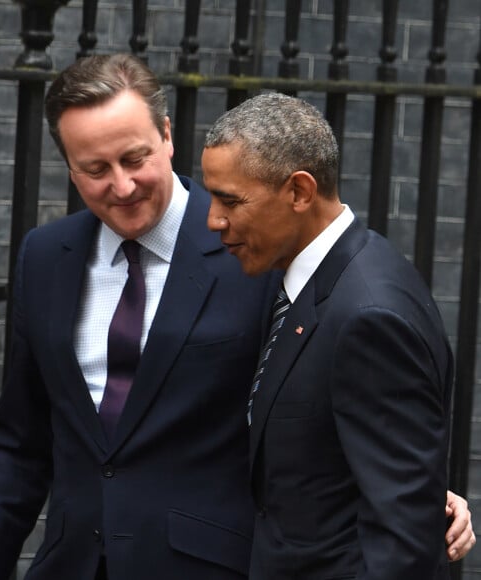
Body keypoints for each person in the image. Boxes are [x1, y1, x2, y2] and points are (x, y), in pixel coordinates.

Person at [0, 56, 473, 580]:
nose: (123, 185)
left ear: (166, 135)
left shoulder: (254, 241)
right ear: (68, 166)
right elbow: (21, 436)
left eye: (135, 158)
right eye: (95, 169)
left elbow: (329, 396)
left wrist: (424, 493)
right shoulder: (44, 257)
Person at [202, 92, 475, 579]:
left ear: (300, 192)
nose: (214, 220)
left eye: (230, 201)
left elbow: (404, 539)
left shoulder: (369, 315)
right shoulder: (301, 278)